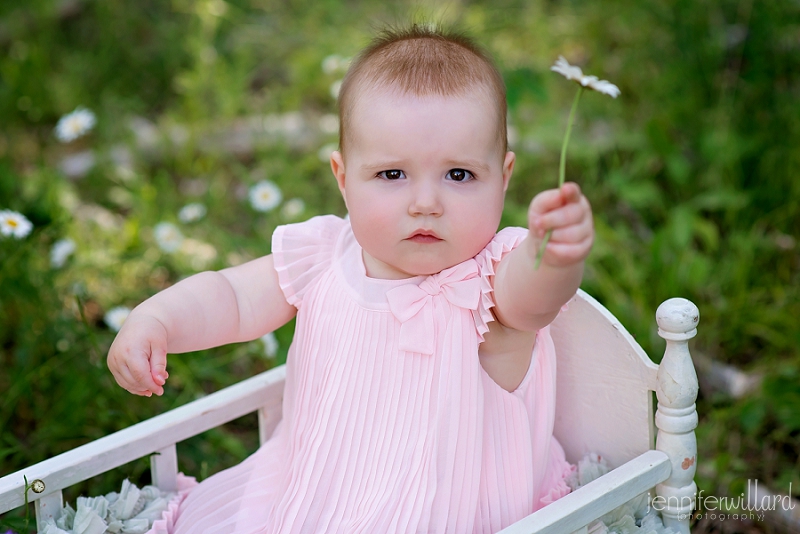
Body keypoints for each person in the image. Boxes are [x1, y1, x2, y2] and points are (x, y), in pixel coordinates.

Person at [108, 24, 594, 534]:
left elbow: (534, 299)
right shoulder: (322, 255)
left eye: (459, 175)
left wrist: (554, 255)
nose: (425, 202)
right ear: (343, 178)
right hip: (315, 485)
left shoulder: (491, 278)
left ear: (503, 176)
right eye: (391, 175)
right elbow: (232, 297)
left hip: (451, 511)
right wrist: (158, 318)